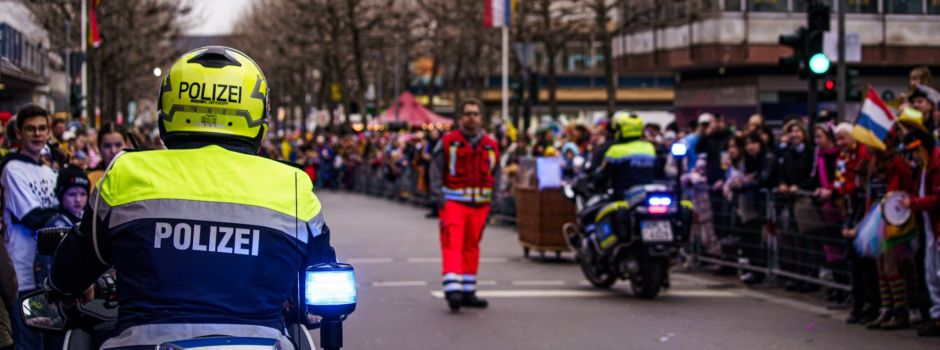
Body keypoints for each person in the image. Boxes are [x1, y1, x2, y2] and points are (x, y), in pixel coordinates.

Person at [47, 46, 338, 349]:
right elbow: (323, 278)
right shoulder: (291, 183)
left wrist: (62, 287)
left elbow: (72, 267)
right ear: (257, 120)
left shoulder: (125, 171)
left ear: (167, 112)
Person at [430, 99, 498, 312]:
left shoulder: (490, 144)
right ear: (460, 118)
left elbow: (497, 175)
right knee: (453, 244)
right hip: (454, 203)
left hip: (480, 205)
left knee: (472, 247)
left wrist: (493, 201)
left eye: (475, 114)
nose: (472, 117)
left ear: (481, 118)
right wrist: (439, 198)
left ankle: (468, 290)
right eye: (468, 113)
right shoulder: (449, 141)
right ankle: (452, 290)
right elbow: (435, 170)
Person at [1, 105, 60, 350]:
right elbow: (32, 217)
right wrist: (62, 215)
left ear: (48, 133)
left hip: (49, 277)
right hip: (22, 276)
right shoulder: (12, 169)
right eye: (30, 129)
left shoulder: (50, 171)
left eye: (41, 129)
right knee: (29, 344)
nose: (36, 134)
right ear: (19, 134)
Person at [833, 123, 879, 325]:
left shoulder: (864, 155)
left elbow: (859, 184)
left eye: (844, 138)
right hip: (851, 208)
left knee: (866, 261)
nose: (840, 143)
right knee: (853, 259)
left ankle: (872, 304)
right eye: (838, 139)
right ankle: (858, 303)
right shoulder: (844, 157)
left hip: (865, 210)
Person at [899, 128, 940, 337]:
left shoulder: (936, 163)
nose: (913, 156)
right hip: (930, 227)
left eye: (915, 151)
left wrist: (913, 203)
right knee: (931, 273)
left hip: (937, 226)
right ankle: (936, 316)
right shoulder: (925, 166)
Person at [593, 112, 655, 197]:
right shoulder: (649, 148)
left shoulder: (615, 150)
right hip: (646, 196)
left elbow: (601, 177)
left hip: (623, 199)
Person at [86, 123, 129, 190]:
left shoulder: (138, 174)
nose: (113, 151)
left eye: (118, 145)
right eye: (107, 146)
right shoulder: (91, 177)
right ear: (99, 148)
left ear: (127, 145)